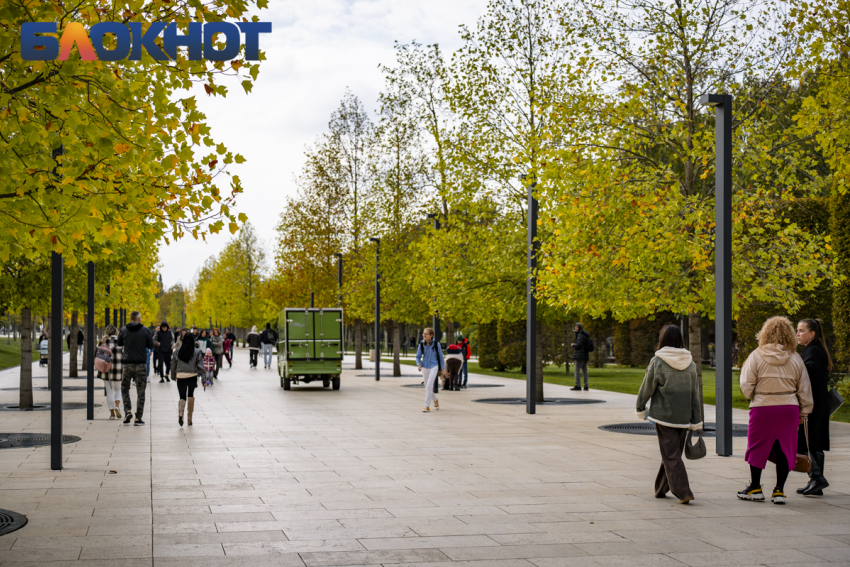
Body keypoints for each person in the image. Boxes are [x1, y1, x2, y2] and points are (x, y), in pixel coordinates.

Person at [738, 316, 813, 505]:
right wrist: (805, 410)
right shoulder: (795, 358)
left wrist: (752, 395)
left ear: (765, 333)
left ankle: (755, 487)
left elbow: (746, 384)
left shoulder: (756, 355)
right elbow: (804, 387)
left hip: (763, 407)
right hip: (788, 408)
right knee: (785, 449)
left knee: (757, 447)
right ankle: (779, 491)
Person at [635, 325, 703, 504]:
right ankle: (660, 489)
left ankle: (683, 490)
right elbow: (695, 395)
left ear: (663, 339)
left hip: (664, 416)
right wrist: (696, 420)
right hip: (684, 417)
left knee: (671, 455)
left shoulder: (657, 362)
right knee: (672, 454)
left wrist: (640, 408)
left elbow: (646, 387)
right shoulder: (691, 364)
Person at [795, 319, 833, 496]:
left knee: (808, 440)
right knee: (813, 441)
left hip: (813, 404)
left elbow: (808, 372)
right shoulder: (815, 348)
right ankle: (815, 481)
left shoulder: (813, 350)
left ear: (812, 334)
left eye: (801, 331)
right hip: (818, 402)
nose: (797, 334)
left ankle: (817, 478)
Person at [118, 311, 158, 426]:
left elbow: (120, 343)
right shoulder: (145, 330)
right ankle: (138, 418)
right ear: (139, 319)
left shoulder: (124, 330)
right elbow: (151, 346)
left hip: (127, 364)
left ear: (130, 319)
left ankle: (128, 410)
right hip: (141, 364)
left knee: (125, 388)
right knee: (141, 391)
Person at [171, 330, 204, 426]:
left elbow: (173, 365)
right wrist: (204, 378)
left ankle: (180, 415)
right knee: (190, 394)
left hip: (181, 376)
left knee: (182, 396)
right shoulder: (196, 352)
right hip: (192, 376)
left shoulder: (177, 351)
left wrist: (173, 376)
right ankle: (189, 419)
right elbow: (200, 366)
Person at [416, 328, 445, 412]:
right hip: (424, 366)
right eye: (423, 334)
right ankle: (435, 400)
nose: (424, 335)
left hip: (434, 366)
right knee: (427, 387)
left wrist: (442, 369)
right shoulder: (421, 344)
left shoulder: (436, 344)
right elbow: (418, 356)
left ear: (431, 335)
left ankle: (426, 405)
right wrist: (418, 365)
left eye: (426, 334)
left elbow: (441, 357)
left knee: (429, 386)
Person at [97, 325, 123, 420]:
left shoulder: (103, 342)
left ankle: (112, 414)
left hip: (105, 369)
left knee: (109, 391)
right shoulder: (121, 342)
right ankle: (117, 406)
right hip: (118, 369)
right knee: (118, 390)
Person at [570, 323, 591, 391]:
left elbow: (579, 344)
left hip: (580, 355)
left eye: (577, 327)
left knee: (577, 371)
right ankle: (586, 385)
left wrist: (573, 345)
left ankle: (578, 385)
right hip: (584, 355)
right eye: (575, 327)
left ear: (579, 328)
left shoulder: (580, 335)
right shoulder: (585, 335)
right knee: (585, 370)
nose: (575, 329)